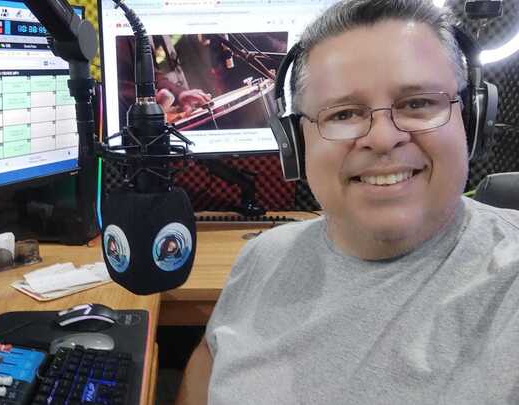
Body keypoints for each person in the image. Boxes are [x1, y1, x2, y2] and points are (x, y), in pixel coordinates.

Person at [176, 0, 519, 404]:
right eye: (343, 114)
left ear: (473, 120)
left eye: (418, 103)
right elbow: (208, 367)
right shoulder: (261, 257)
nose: (383, 137)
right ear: (295, 145)